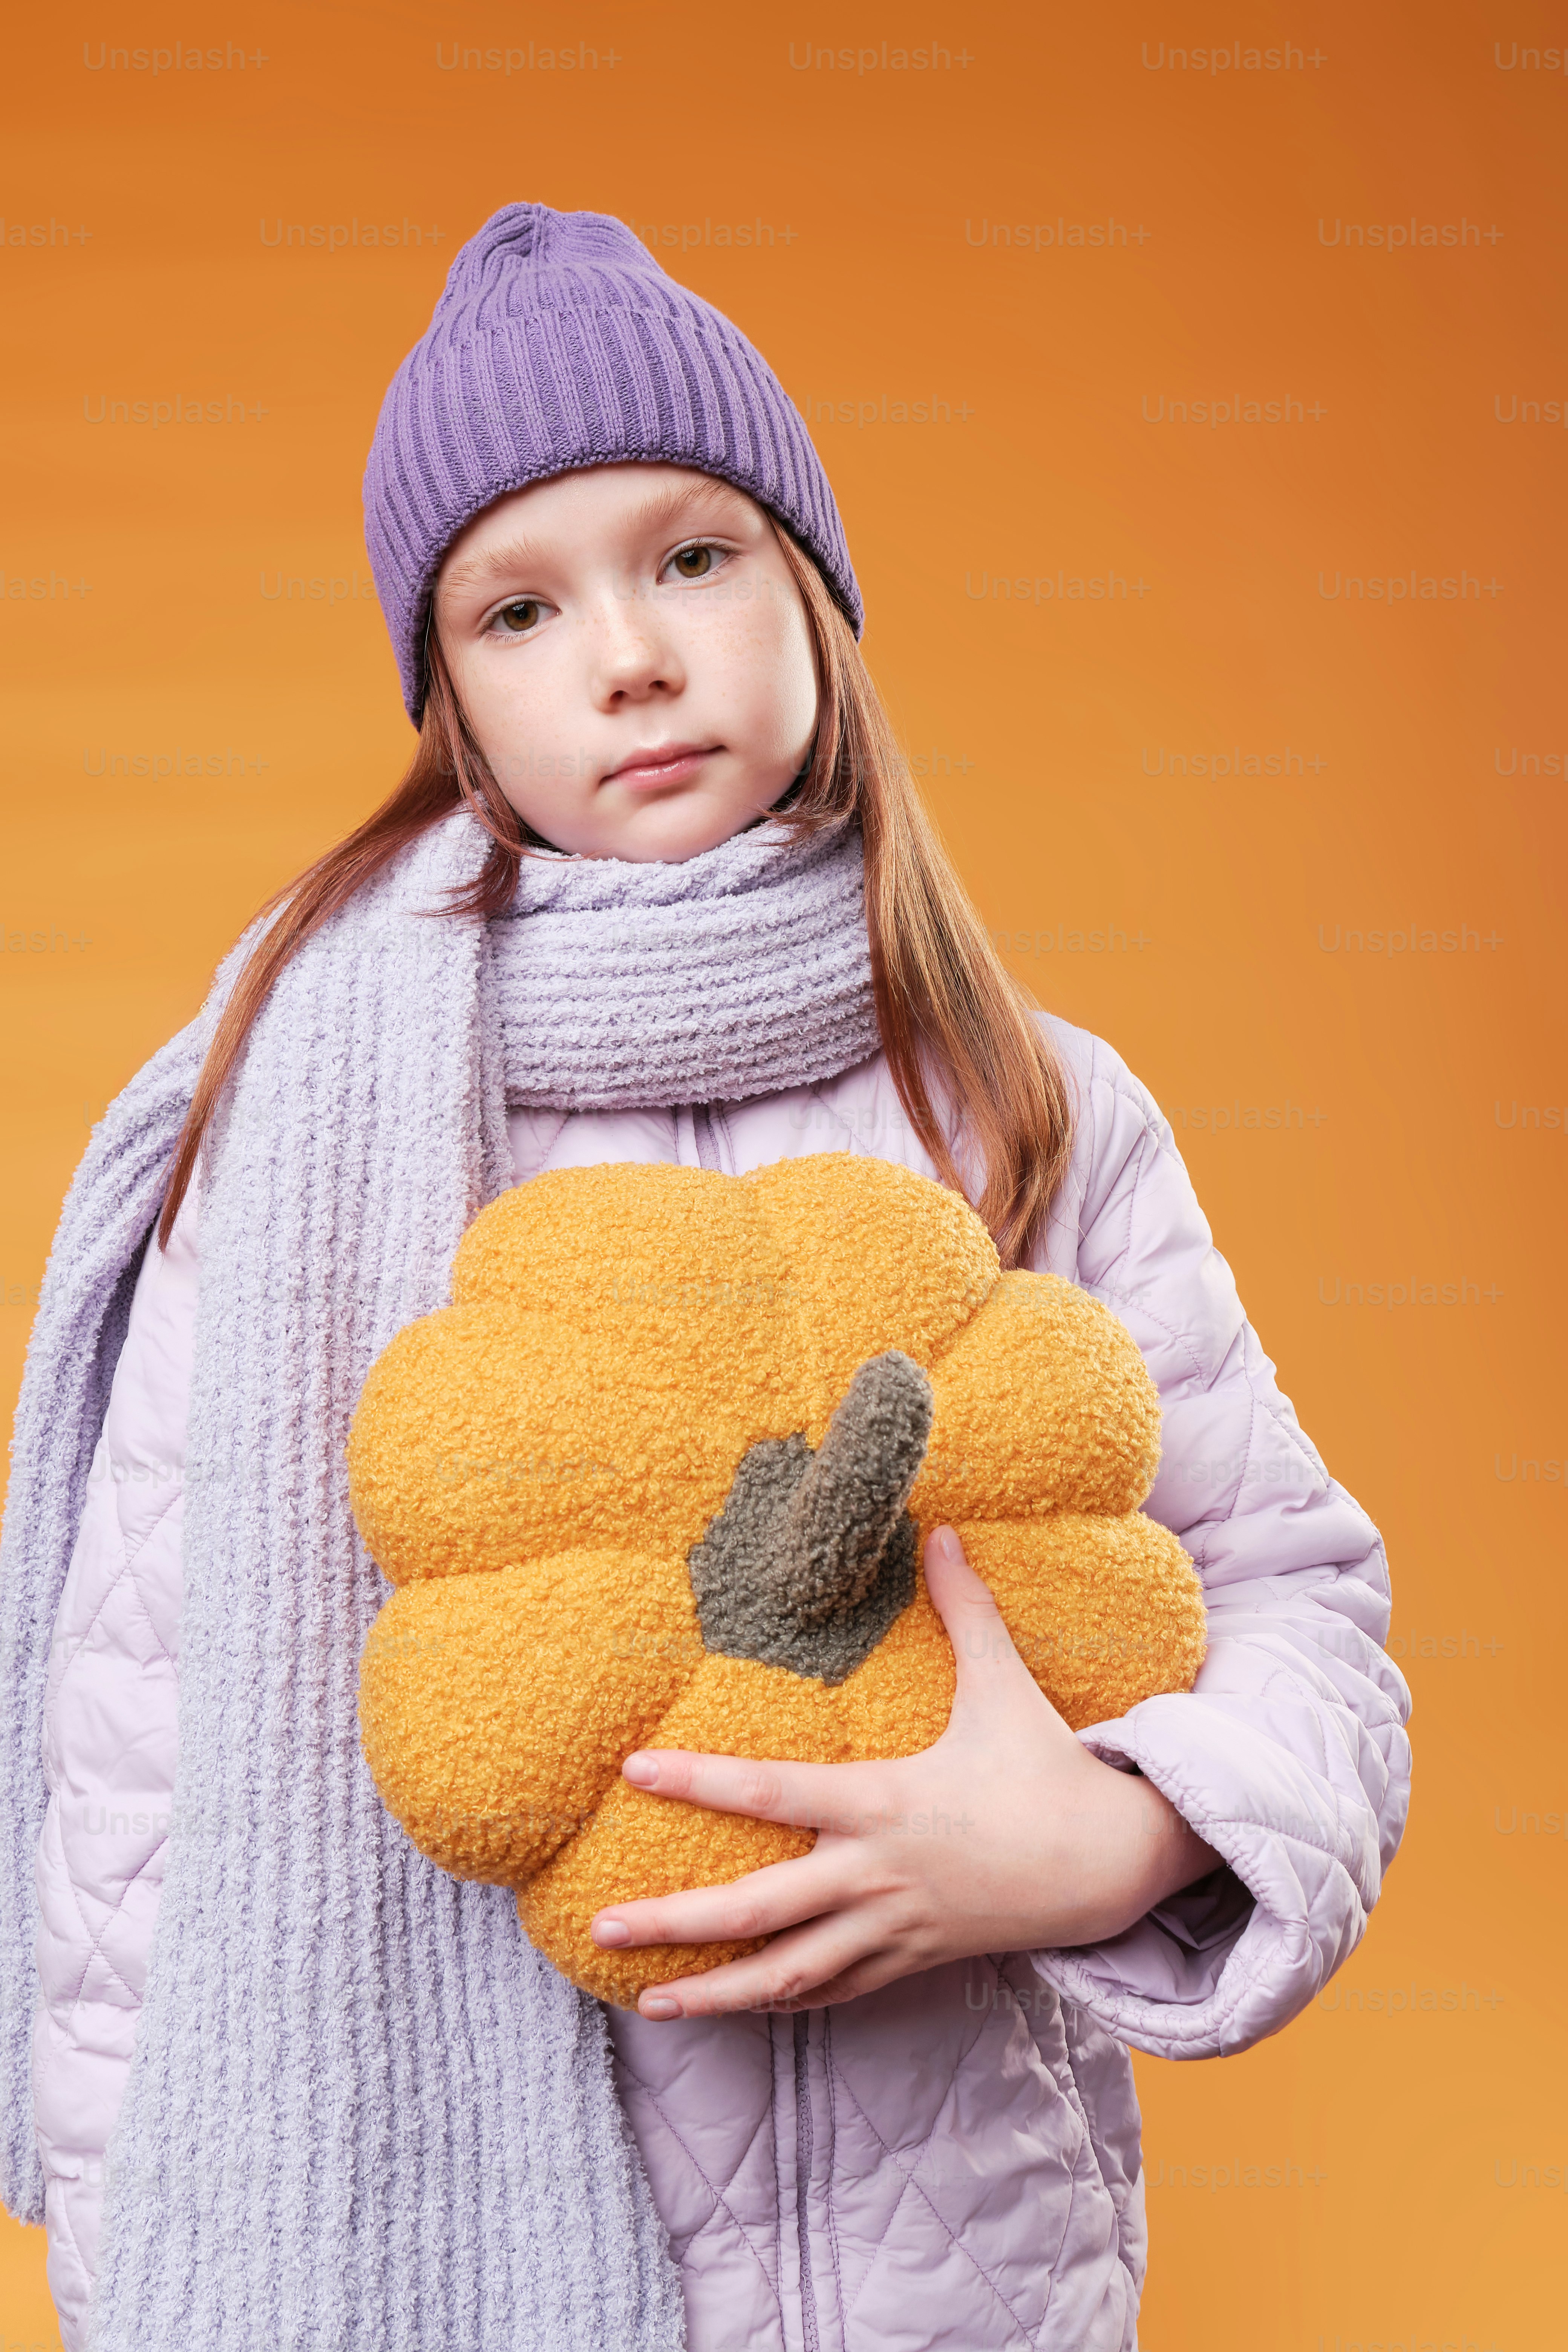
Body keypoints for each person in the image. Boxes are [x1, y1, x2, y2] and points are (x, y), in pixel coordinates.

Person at [0, 201, 1411, 2352]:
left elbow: (1303, 1603)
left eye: (694, 555)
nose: (629, 656)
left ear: (815, 599)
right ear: (456, 707)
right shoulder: (294, 1128)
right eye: (519, 607)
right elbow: (142, 1793)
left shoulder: (1028, 1107)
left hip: (968, 2284)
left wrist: (1118, 1844)